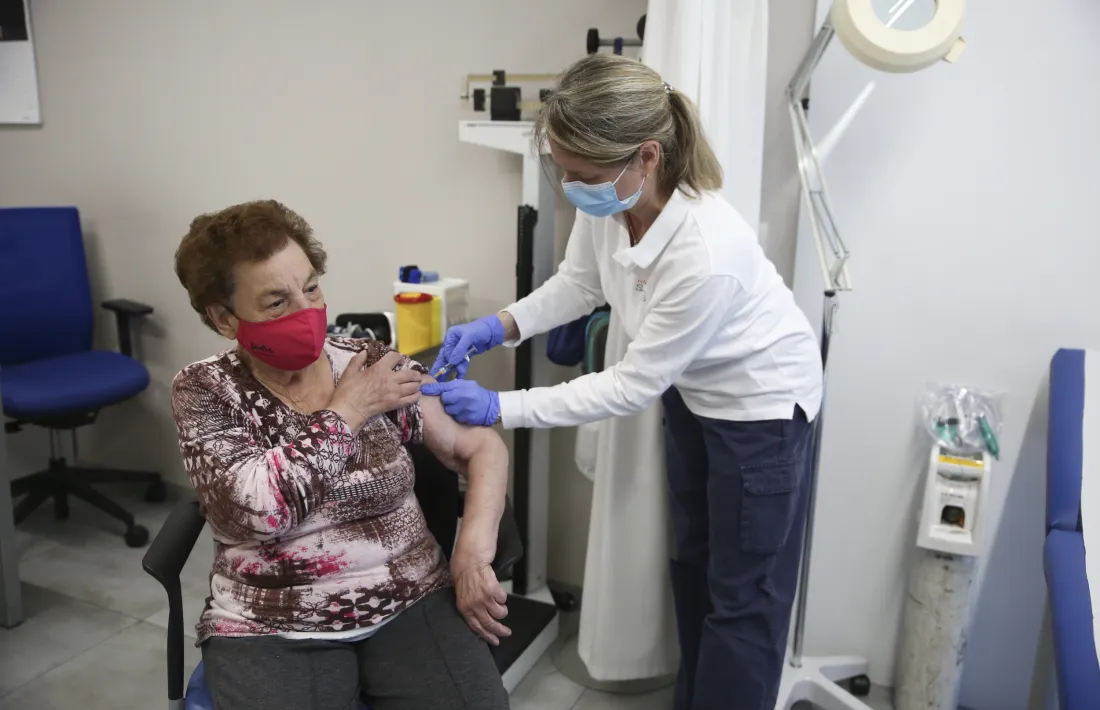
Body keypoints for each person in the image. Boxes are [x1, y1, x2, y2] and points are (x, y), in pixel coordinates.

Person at [423, 54, 823, 710]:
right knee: (693, 566)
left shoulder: (705, 252)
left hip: (763, 411)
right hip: (694, 396)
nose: (573, 187)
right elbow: (580, 283)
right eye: (565, 171)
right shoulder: (610, 198)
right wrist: (500, 326)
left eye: (583, 175)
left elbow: (631, 385)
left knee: (743, 601)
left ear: (646, 156)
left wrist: (500, 404)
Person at [171, 200, 511, 710]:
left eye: (310, 287)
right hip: (274, 618)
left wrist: (471, 552)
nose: (306, 311)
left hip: (411, 593)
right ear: (224, 318)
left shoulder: (367, 363)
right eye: (275, 302)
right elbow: (261, 512)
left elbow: (479, 446)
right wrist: (347, 411)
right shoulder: (205, 391)